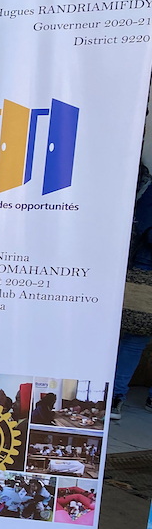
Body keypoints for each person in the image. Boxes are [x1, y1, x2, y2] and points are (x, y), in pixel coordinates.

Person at [113, 162, 152, 419]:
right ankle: (115, 395)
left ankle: (115, 396)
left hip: (143, 268)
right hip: (145, 271)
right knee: (135, 338)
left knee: (134, 340)